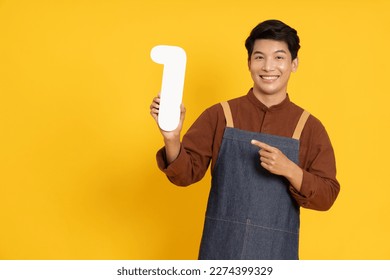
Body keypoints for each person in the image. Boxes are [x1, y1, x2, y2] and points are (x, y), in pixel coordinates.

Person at [149, 19, 340, 260]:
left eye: (279, 57)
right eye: (259, 57)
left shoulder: (309, 127)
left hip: (276, 257)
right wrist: (172, 138)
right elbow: (185, 175)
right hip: (219, 254)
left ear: (294, 64)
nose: (268, 66)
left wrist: (290, 169)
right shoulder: (220, 115)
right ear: (249, 63)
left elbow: (327, 196)